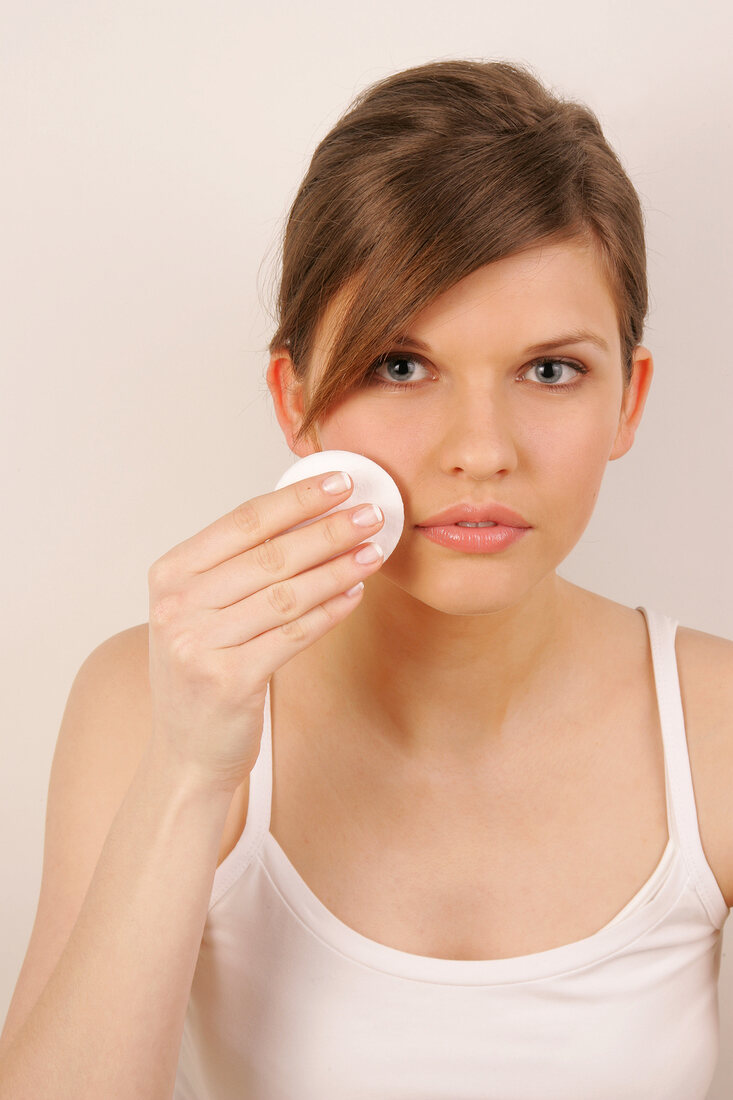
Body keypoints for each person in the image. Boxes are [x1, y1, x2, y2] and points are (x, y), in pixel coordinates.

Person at [1, 58, 731, 1100]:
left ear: (628, 399)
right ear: (294, 399)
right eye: (400, 364)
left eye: (550, 369)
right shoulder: (147, 697)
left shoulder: (715, 723)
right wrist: (189, 769)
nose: (479, 450)